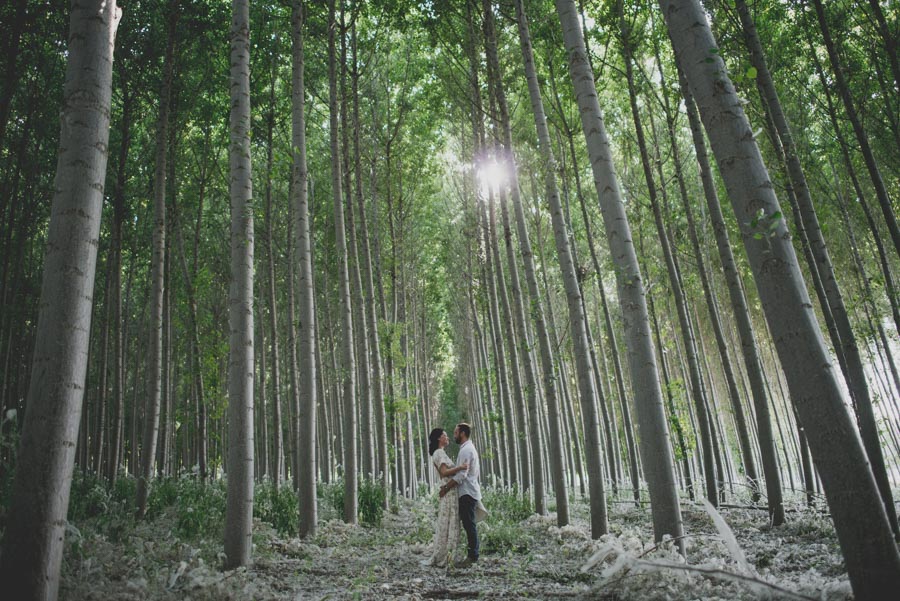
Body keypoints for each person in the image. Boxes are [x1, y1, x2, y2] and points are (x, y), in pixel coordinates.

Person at [422, 428, 468, 568]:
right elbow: (444, 472)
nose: (447, 438)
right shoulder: (439, 453)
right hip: (448, 490)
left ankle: (445, 554)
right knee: (449, 521)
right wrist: (460, 467)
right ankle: (446, 556)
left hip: (448, 489)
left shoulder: (438, 453)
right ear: (439, 438)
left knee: (446, 521)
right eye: (445, 435)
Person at [440, 422, 481, 567]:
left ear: (463, 433)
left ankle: (473, 556)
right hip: (468, 491)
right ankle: (472, 554)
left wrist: (446, 487)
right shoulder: (467, 448)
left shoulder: (466, 450)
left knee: (469, 525)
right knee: (468, 524)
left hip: (467, 492)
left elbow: (461, 475)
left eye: (456, 433)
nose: (454, 436)